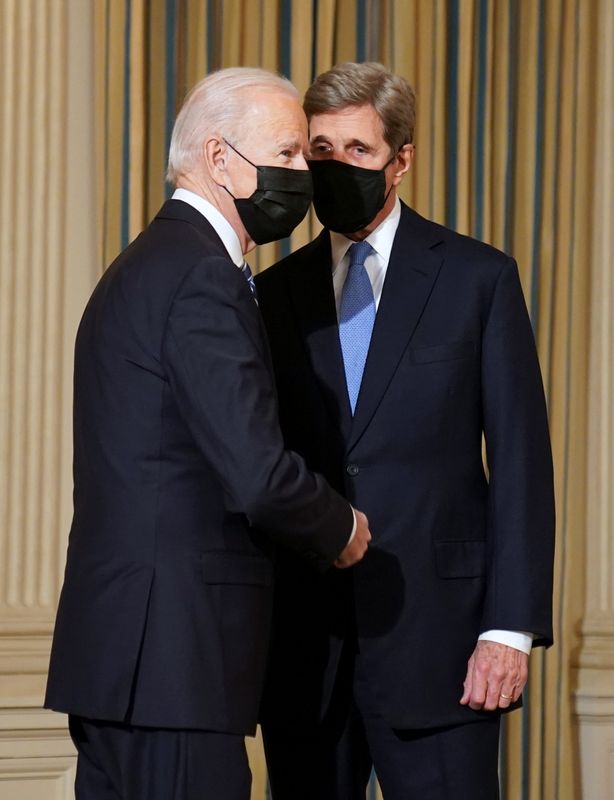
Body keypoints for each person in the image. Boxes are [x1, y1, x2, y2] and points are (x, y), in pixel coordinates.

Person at [44, 66, 371, 800]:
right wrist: (340, 525)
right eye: (288, 154)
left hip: (128, 663)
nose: (304, 175)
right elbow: (256, 474)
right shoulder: (200, 277)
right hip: (175, 663)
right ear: (220, 159)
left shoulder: (146, 265)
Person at [256, 61, 555, 800]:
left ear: (400, 160)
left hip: (446, 652)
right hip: (304, 654)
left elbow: (520, 462)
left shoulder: (477, 279)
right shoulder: (271, 293)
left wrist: (507, 631)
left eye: (356, 151)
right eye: (319, 152)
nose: (335, 168)